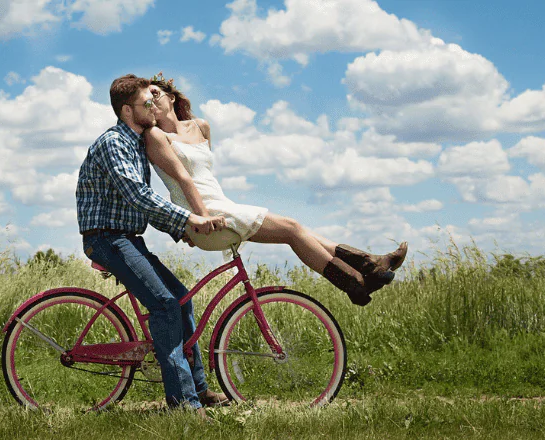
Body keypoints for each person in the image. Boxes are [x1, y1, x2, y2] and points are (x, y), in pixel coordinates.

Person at [143, 72, 408, 306]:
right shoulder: (156, 136)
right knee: (292, 229)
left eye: (155, 93)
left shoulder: (200, 126)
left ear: (171, 97)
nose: (151, 101)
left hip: (220, 205)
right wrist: (196, 220)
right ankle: (357, 279)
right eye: (145, 100)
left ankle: (368, 268)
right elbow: (184, 181)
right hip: (202, 215)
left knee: (298, 230)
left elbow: (206, 176)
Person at [75, 74, 229, 416]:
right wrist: (190, 219)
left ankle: (199, 389)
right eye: (148, 103)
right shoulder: (114, 143)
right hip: (106, 238)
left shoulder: (135, 145)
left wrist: (181, 231)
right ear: (128, 110)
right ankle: (183, 404)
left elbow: (141, 205)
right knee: (165, 306)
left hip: (127, 238)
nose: (154, 108)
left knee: (182, 300)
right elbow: (139, 195)